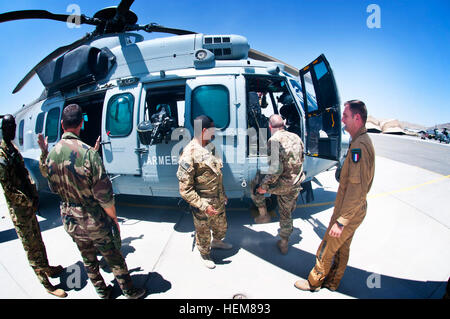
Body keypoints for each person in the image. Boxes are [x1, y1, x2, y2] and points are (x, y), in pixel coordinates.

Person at [38, 104, 145, 299]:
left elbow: (53, 186)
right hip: (92, 220)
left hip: (69, 219)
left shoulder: (51, 155)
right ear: (81, 124)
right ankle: (129, 291)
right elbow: (104, 196)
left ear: (62, 124)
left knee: (87, 258)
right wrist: (113, 218)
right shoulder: (88, 154)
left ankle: (102, 291)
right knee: (113, 256)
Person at [295, 100, 375, 292]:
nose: (342, 120)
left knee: (327, 248)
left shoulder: (359, 147)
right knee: (342, 247)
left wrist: (341, 221)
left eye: (345, 116)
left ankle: (314, 282)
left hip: (349, 210)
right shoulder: (361, 141)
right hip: (355, 209)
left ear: (357, 118)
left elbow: (356, 189)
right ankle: (332, 282)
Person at [0, 114, 66, 298]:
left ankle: (47, 268)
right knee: (31, 246)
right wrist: (27, 201)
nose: (12, 130)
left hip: (28, 204)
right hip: (20, 209)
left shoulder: (12, 148)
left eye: (13, 126)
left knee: (38, 240)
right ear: (2, 129)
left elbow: (23, 174)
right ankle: (46, 283)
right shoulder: (2, 154)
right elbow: (9, 189)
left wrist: (33, 194)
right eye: (8, 126)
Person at [176, 115, 232, 269]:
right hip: (203, 204)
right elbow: (185, 189)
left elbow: (217, 173)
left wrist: (223, 193)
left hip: (218, 199)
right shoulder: (189, 154)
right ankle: (205, 253)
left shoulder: (211, 147)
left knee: (221, 227)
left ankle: (217, 242)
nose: (215, 132)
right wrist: (203, 205)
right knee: (203, 232)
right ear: (205, 130)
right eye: (213, 129)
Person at [251, 114, 305, 254]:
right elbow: (302, 159)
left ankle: (263, 215)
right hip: (296, 183)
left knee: (255, 188)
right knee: (286, 214)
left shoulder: (273, 141)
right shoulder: (296, 137)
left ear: (270, 126)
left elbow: (276, 169)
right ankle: (284, 242)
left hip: (282, 185)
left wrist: (263, 187)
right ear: (284, 124)